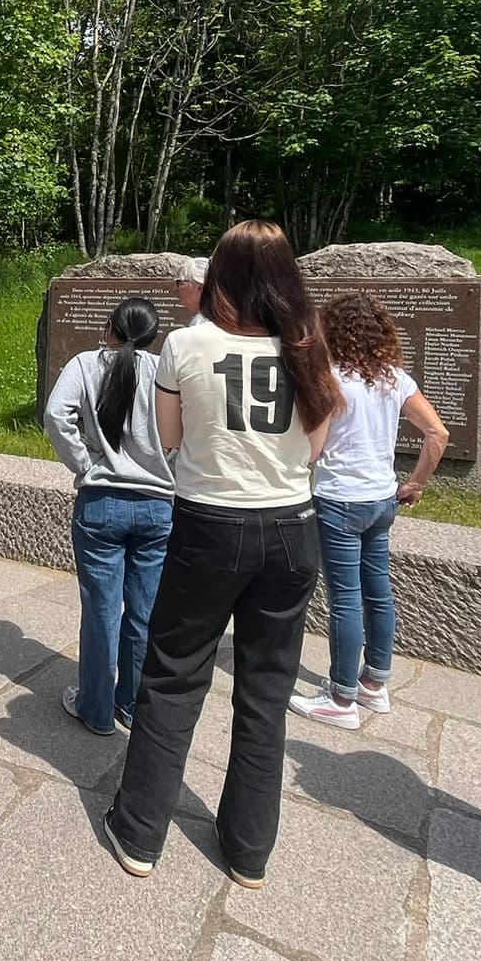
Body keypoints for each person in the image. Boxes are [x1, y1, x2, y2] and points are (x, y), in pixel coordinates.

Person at [104, 220, 341, 889]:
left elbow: (170, 438)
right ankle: (248, 850)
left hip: (209, 523)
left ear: (221, 275)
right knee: (267, 689)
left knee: (174, 674)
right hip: (293, 527)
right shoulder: (307, 343)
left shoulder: (185, 343)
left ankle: (140, 831)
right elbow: (318, 444)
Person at [289, 293, 450, 730]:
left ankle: (341, 696)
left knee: (345, 600)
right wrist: (415, 483)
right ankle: (374, 683)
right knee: (378, 592)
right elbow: (437, 433)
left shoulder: (330, 380)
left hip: (339, 499)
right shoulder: (396, 379)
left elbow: (314, 450)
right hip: (382, 500)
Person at [43, 296, 174, 736]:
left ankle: (95, 708)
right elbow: (185, 429)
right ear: (154, 335)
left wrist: (85, 463)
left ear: (110, 326)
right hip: (158, 506)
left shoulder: (85, 364)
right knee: (144, 612)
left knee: (101, 610)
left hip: (102, 503)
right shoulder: (164, 372)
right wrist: (165, 465)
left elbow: (55, 416)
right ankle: (131, 707)